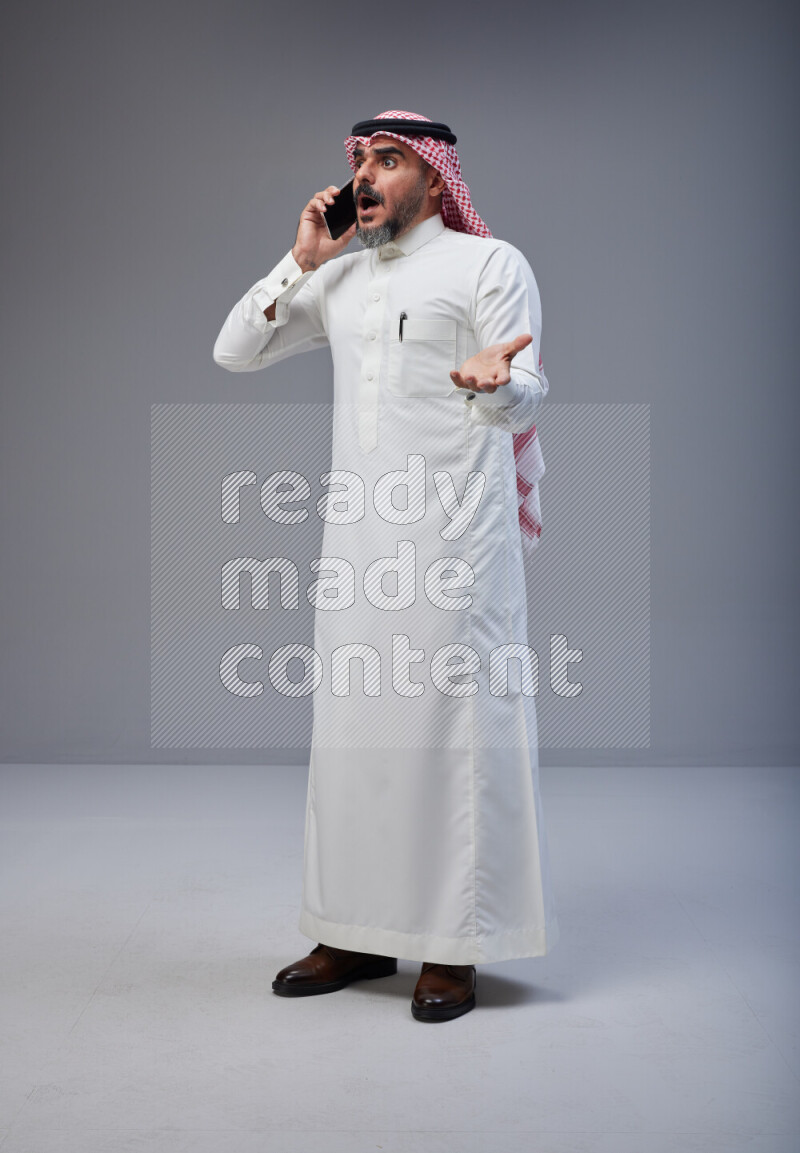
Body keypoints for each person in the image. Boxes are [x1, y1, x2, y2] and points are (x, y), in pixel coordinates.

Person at [213, 111, 559, 1022]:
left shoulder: (491, 265)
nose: (366, 175)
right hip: (358, 550)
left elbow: (528, 389)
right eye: (361, 159)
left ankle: (455, 946)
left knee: (453, 738)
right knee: (355, 738)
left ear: (437, 181)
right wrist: (302, 262)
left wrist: (502, 384)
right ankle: (354, 930)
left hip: (456, 548)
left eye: (390, 160)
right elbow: (234, 351)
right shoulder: (346, 280)